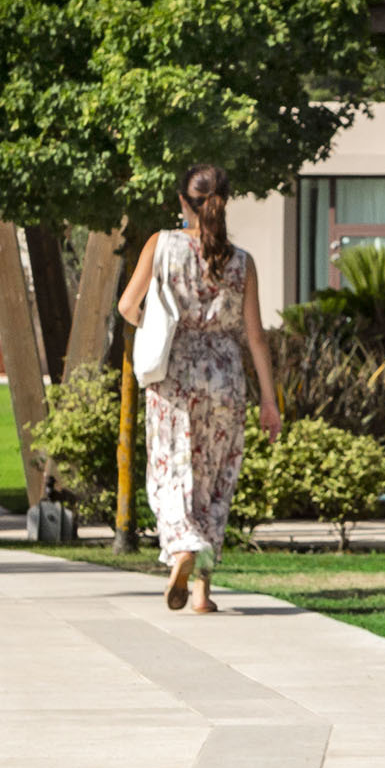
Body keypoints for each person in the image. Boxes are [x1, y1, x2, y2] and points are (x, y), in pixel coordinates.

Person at [117, 163, 281, 612]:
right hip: (227, 379)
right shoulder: (242, 261)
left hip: (175, 376)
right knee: (213, 482)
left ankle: (184, 546)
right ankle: (203, 594)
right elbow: (256, 335)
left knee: (172, 476)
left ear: (182, 200)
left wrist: (156, 324)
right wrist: (269, 401)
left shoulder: (161, 244)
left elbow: (128, 305)